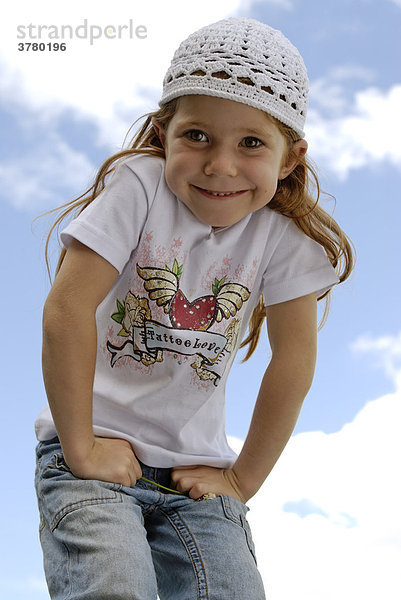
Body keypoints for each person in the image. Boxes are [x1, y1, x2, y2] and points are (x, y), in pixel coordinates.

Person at [34, 16, 354, 600]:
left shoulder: (284, 240)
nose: (220, 165)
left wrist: (242, 477)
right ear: (164, 132)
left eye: (251, 142)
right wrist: (80, 445)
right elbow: (67, 309)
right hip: (95, 445)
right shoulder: (140, 186)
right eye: (197, 135)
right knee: (114, 587)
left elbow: (294, 363)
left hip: (195, 475)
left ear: (290, 157)